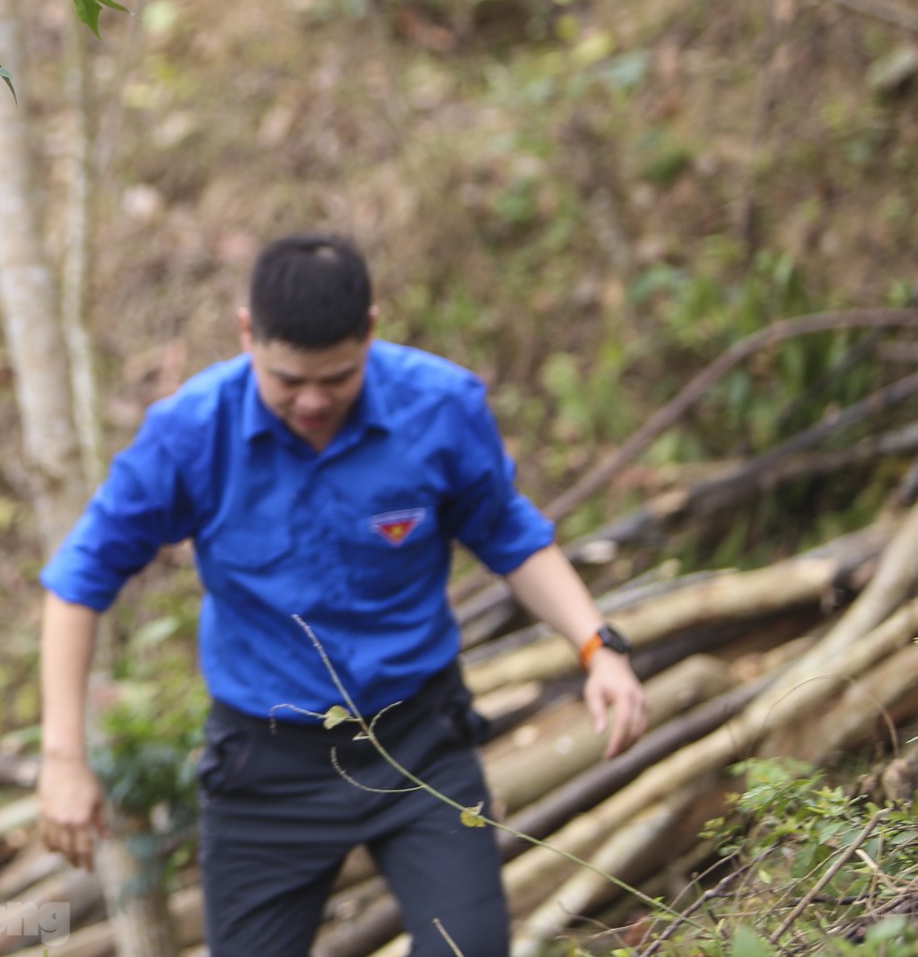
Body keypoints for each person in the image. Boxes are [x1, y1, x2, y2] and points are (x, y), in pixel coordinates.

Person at [36, 233, 650, 957]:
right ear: (246, 334)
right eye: (289, 379)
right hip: (265, 764)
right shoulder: (192, 433)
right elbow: (80, 581)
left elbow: (510, 535)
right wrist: (64, 757)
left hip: (421, 742)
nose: (313, 400)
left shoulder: (439, 407)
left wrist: (597, 645)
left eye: (337, 377)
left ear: (371, 330)